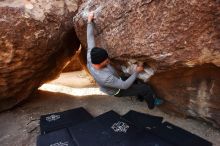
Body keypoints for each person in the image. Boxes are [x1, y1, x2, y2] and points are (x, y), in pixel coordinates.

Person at [86, 11, 163, 109]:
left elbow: (90, 39)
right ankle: (152, 104)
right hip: (118, 90)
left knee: (134, 81)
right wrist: (136, 72)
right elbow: (124, 86)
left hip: (116, 79)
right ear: (100, 63)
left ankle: (140, 96)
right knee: (145, 88)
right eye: (106, 60)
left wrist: (89, 21)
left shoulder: (90, 57)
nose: (108, 60)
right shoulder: (105, 77)